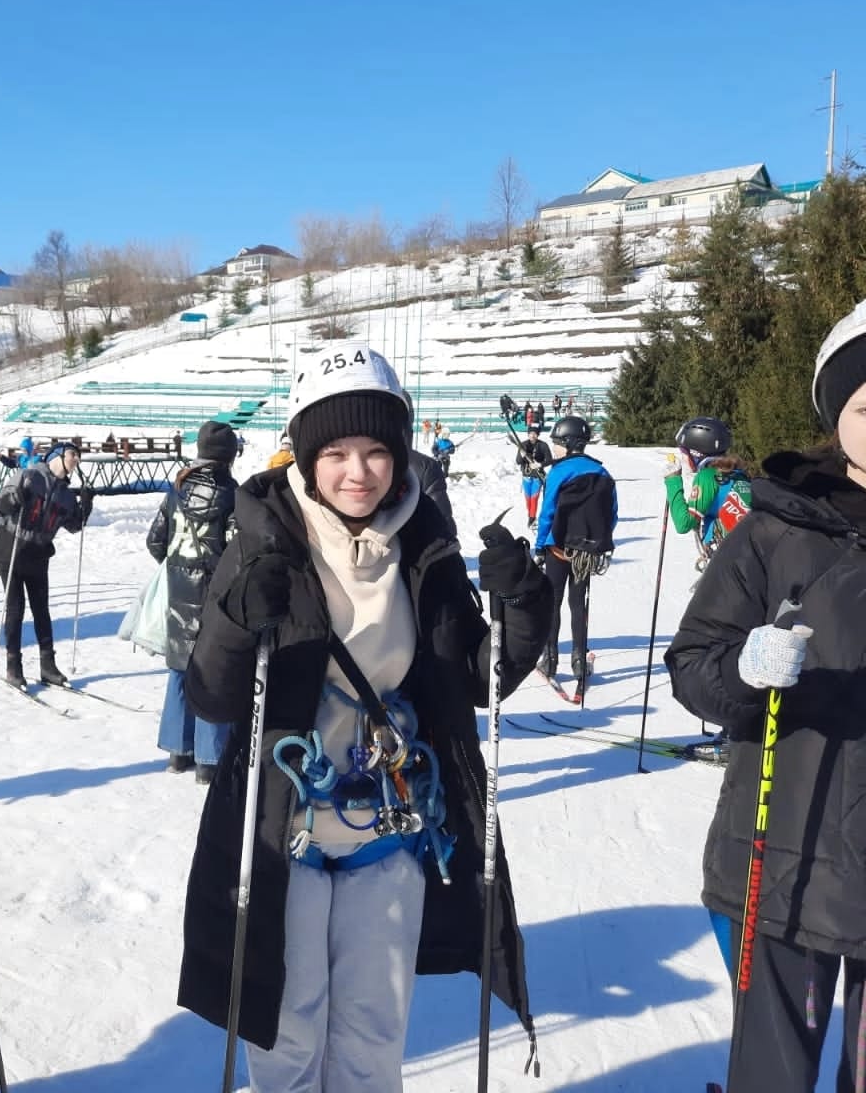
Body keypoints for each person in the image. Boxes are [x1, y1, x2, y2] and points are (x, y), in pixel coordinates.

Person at [177, 340, 552, 1091]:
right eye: (336, 452)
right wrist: (236, 618)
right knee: (288, 1040)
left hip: (390, 829)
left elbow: (477, 678)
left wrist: (523, 604)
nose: (359, 471)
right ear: (305, 456)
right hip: (284, 831)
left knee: (374, 1041)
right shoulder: (264, 539)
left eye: (378, 450)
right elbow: (212, 696)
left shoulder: (424, 540)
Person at [667, 294, 866, 1093]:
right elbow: (694, 666)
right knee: (771, 1076)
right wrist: (744, 670)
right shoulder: (773, 532)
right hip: (786, 863)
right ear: (835, 412)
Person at [148, 421, 239, 785]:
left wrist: (178, 569)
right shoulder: (233, 494)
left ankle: (177, 751)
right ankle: (208, 759)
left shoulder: (177, 490)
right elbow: (236, 550)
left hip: (179, 592)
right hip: (215, 596)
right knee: (213, 673)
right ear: (229, 456)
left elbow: (155, 541)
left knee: (179, 668)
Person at [0, 441, 93, 689]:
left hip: (38, 554)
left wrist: (85, 508)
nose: (76, 460)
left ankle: (48, 665)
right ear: (57, 455)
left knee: (41, 610)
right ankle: (13, 665)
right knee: (16, 609)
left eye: (78, 456)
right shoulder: (29, 476)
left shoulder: (66, 494)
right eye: (72, 454)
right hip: (11, 549)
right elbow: (1, 506)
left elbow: (74, 525)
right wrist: (14, 499)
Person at [534, 415, 616, 690]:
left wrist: (539, 546)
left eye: (556, 443)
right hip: (586, 554)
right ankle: (579, 661)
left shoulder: (558, 472)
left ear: (569, 444)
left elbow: (547, 513)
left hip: (557, 549)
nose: (553, 448)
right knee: (578, 603)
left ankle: (550, 660)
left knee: (552, 602)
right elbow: (612, 514)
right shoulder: (602, 472)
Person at [664, 417, 752, 568]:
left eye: (684, 453)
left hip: (735, 562)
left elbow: (683, 524)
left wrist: (673, 480)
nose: (683, 459)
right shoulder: (737, 474)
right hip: (751, 555)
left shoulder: (707, 476)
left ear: (696, 453)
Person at [517, 427, 553, 527]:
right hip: (526, 476)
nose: (532, 436)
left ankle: (532, 517)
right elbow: (518, 461)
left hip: (537, 476)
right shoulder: (523, 445)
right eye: (531, 433)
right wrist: (521, 455)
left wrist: (539, 464)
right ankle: (530, 515)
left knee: (534, 498)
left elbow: (549, 460)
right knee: (528, 498)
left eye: (535, 434)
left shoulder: (543, 445)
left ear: (538, 435)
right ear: (528, 434)